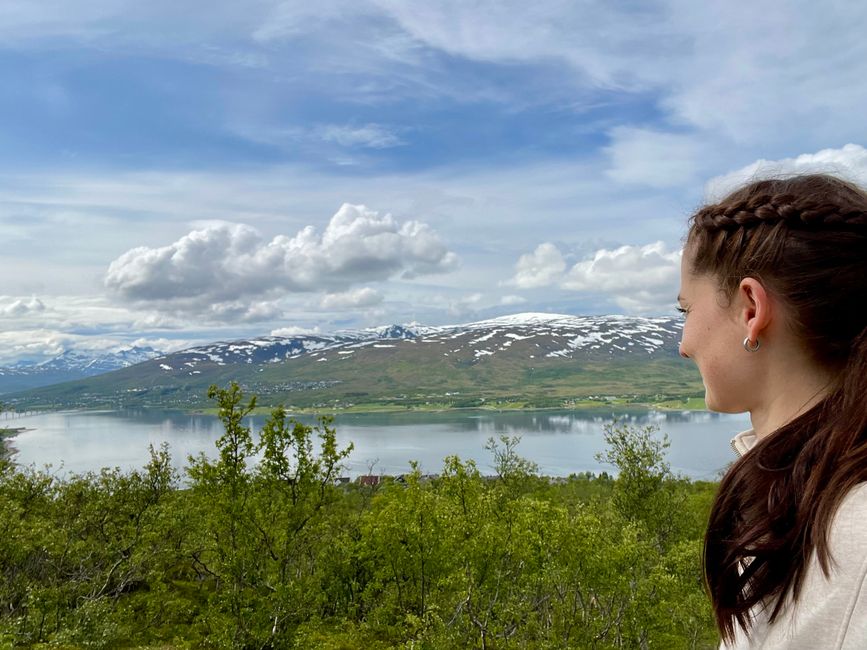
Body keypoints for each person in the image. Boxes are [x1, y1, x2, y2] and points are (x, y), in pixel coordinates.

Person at [677, 174, 867, 649]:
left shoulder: (853, 539)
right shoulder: (798, 497)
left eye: (685, 311)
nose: (683, 345)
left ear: (751, 308)